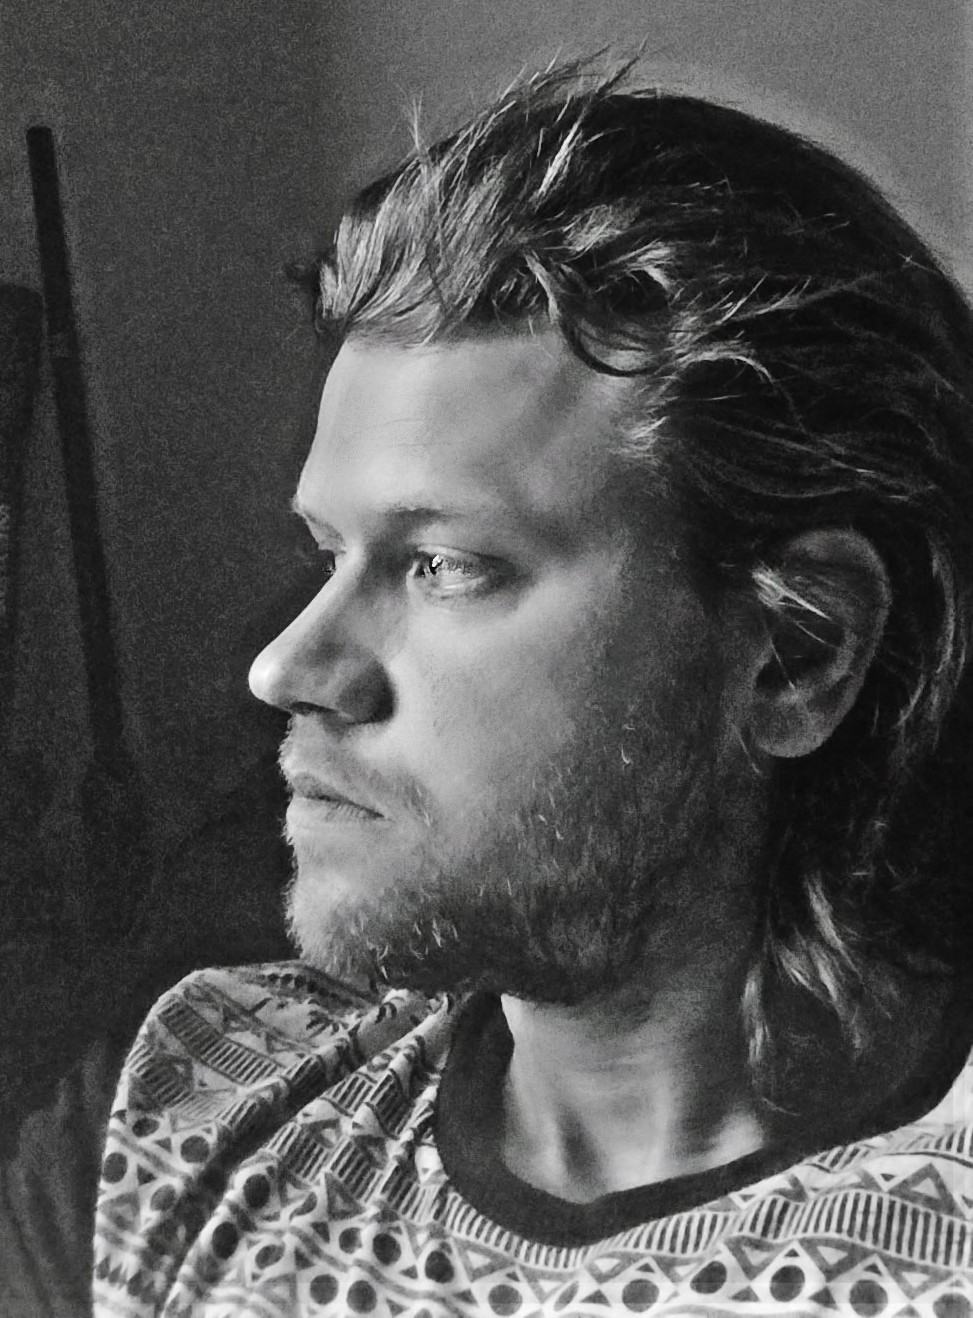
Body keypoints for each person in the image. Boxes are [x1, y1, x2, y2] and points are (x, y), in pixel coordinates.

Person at [90, 62, 973, 1315]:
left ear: (797, 652)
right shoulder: (188, 1103)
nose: (287, 669)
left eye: (445, 565)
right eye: (331, 554)